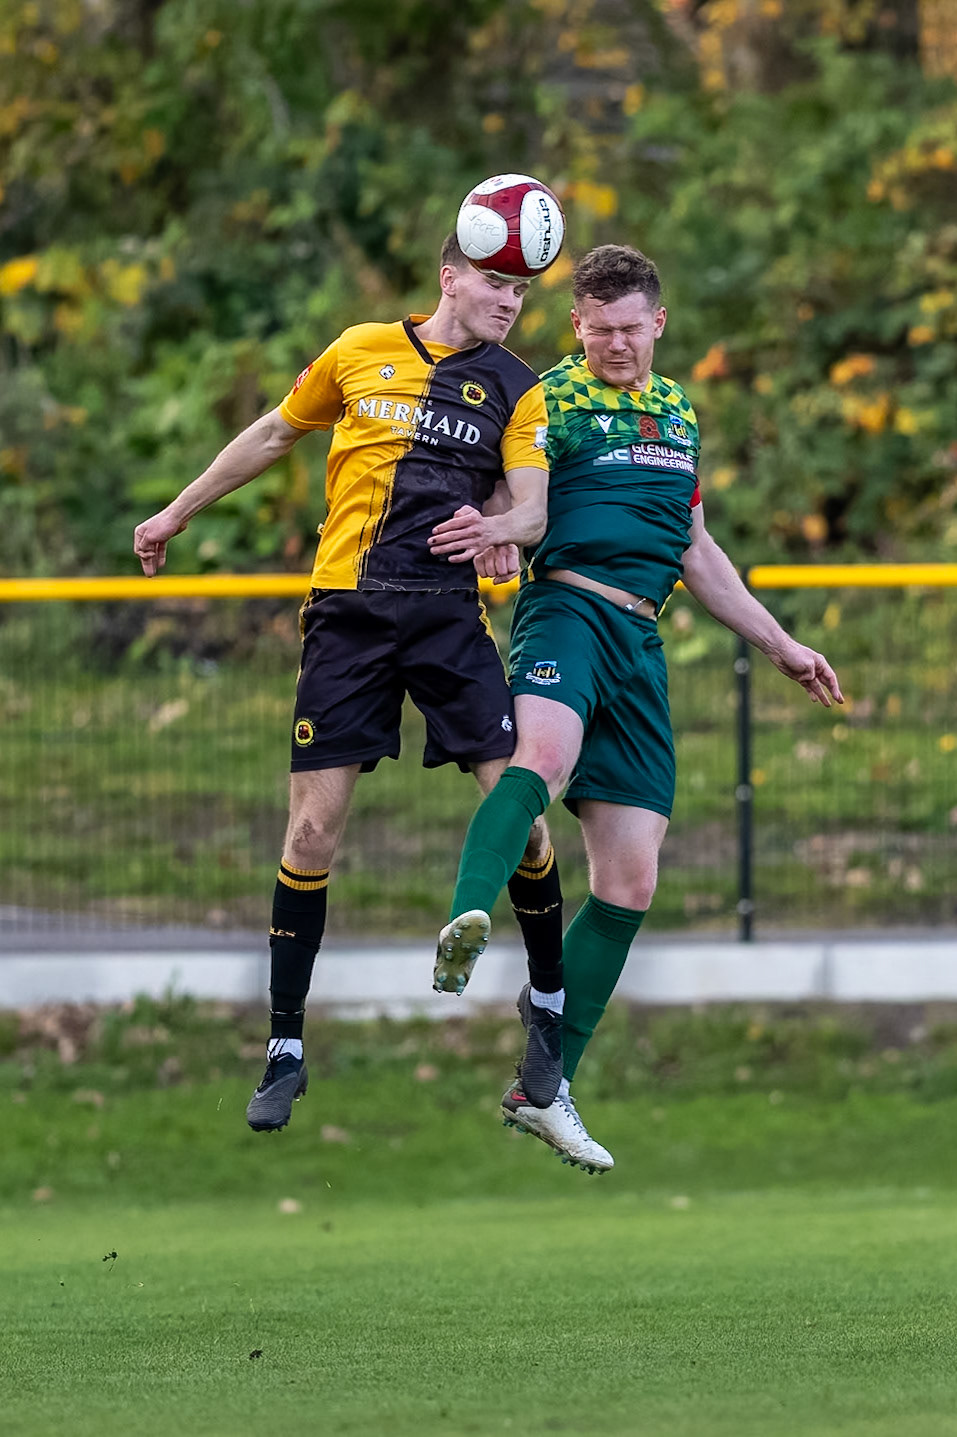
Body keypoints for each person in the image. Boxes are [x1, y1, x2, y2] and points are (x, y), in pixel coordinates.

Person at [133, 233, 567, 1133]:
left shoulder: (517, 386)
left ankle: (549, 1011)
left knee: (523, 817)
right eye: (493, 281)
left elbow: (531, 500)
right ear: (448, 275)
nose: (507, 300)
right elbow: (271, 431)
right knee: (313, 827)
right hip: (349, 614)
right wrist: (177, 509)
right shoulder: (358, 349)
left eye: (520, 289)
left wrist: (508, 530)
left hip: (449, 619)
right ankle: (284, 1045)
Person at [438, 244, 844, 1174]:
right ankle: (465, 916)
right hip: (566, 611)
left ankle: (543, 1088)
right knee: (537, 759)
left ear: (658, 324)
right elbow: (508, 485)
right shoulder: (550, 398)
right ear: (576, 325)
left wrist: (780, 644)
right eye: (600, 329)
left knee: (629, 882)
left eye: (632, 329)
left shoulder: (677, 411)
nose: (617, 344)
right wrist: (499, 530)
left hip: (640, 639)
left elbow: (695, 548)